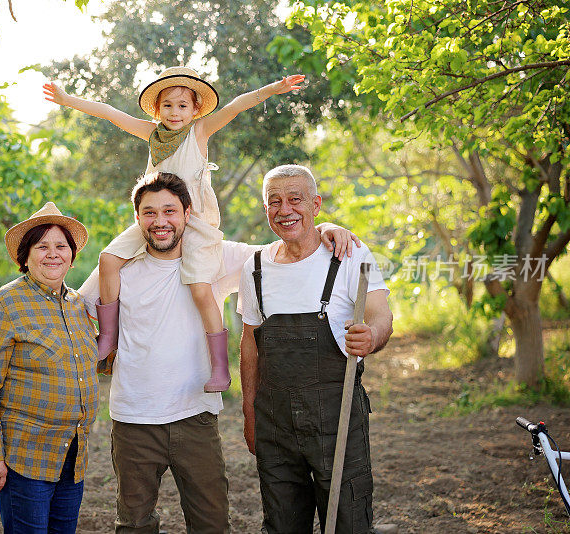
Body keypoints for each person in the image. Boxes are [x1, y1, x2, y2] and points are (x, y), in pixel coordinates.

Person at [79, 171, 359, 533]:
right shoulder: (118, 266)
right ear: (137, 220)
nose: (161, 222)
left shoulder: (216, 257)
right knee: (133, 523)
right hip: (133, 417)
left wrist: (326, 228)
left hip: (195, 415)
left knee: (211, 523)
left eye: (170, 211)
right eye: (149, 213)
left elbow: (283, 247)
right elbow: (79, 310)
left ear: (187, 213)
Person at [44, 66, 305, 393]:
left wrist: (271, 88)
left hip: (192, 223)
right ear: (157, 109)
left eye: (183, 105)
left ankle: (221, 368)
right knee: (108, 259)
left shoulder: (199, 132)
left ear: (195, 109)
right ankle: (108, 338)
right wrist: (66, 99)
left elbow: (237, 106)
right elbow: (110, 113)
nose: (175, 112)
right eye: (167, 105)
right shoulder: (152, 134)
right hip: (154, 220)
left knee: (200, 288)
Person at [238, 164, 395, 534]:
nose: (285, 209)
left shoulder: (350, 254)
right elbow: (250, 344)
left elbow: (381, 315)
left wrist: (371, 336)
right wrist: (249, 414)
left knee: (348, 522)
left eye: (296, 199)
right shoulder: (255, 267)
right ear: (266, 211)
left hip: (337, 419)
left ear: (316, 204)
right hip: (275, 424)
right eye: (274, 201)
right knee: (281, 523)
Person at [0, 201, 98, 534]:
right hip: (25, 459)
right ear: (25, 256)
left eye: (61, 246)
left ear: (71, 254)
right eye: (42, 247)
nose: (53, 254)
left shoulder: (78, 305)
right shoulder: (5, 303)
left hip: (72, 456)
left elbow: (90, 364)